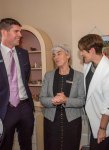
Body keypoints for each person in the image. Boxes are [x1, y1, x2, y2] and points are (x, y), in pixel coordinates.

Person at [78, 34, 109, 150]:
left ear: (92, 50)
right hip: (94, 121)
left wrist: (102, 129)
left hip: (105, 125)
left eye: (82, 51)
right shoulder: (88, 65)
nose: (81, 54)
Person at [39, 44, 85, 150]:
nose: (56, 57)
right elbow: (42, 98)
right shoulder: (48, 76)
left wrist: (66, 100)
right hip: (51, 121)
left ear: (68, 55)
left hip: (72, 122)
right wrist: (52, 100)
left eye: (59, 54)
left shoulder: (79, 76)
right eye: (54, 55)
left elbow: (82, 100)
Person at [0, 18, 34, 150]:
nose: (20, 34)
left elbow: (25, 77)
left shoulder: (23, 54)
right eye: (16, 31)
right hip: (5, 108)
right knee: (5, 145)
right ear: (4, 32)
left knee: (27, 144)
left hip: (25, 105)